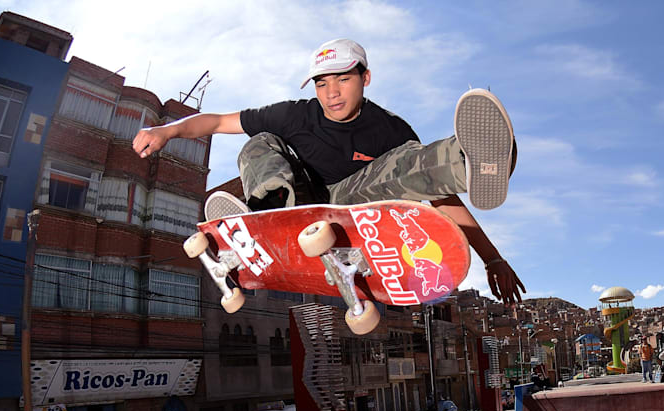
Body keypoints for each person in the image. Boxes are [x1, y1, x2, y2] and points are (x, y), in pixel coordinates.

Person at [131, 38, 525, 304]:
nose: (331, 93)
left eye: (343, 79)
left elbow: (438, 194)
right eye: (322, 83)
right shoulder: (294, 114)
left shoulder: (390, 129)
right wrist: (168, 130)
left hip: (352, 202)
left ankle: (475, 160)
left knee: (406, 160)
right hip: (299, 200)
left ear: (364, 78)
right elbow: (217, 122)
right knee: (260, 139)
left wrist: (493, 258)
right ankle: (266, 217)